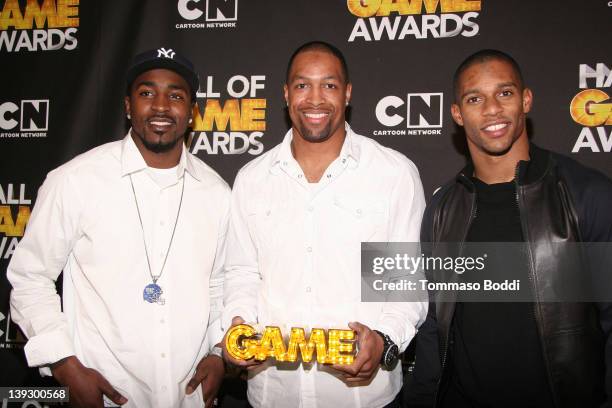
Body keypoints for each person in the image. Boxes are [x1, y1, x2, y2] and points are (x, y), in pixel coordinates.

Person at [8, 48, 230, 408]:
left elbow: (220, 285)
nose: (160, 106)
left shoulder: (217, 193)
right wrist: (64, 365)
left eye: (175, 95)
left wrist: (219, 352)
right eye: (146, 93)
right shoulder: (75, 181)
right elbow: (29, 278)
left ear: (192, 112)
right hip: (103, 397)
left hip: (186, 399)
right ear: (128, 106)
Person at [220, 41, 428, 408]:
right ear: (285, 95)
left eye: (329, 85)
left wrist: (384, 340)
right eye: (302, 85)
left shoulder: (393, 173)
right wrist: (237, 324)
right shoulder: (252, 178)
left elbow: (404, 283)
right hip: (272, 396)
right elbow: (242, 272)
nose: (315, 99)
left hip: (365, 399)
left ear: (347, 93)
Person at [408, 49, 612, 407]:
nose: (491, 109)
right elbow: (432, 327)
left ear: (526, 99)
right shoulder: (442, 209)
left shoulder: (586, 195)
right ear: (457, 113)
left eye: (504, 93)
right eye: (475, 98)